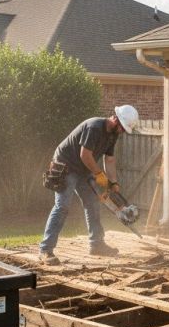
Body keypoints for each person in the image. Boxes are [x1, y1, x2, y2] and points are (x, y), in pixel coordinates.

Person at [39, 105, 139, 264]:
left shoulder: (113, 135)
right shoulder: (94, 127)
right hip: (66, 165)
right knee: (62, 205)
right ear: (115, 119)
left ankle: (97, 245)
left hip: (83, 168)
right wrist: (99, 174)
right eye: (122, 128)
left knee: (92, 203)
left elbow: (110, 160)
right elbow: (85, 154)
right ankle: (45, 249)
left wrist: (113, 183)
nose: (122, 132)